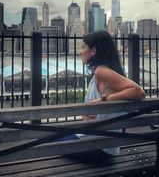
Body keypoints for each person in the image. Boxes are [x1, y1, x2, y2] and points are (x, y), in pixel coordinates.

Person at [61, 31, 145, 162]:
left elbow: (139, 91)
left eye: (84, 47)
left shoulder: (102, 71)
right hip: (104, 146)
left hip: (97, 147)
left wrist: (102, 100)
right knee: (56, 136)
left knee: (45, 142)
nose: (81, 51)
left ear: (93, 51)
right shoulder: (104, 71)